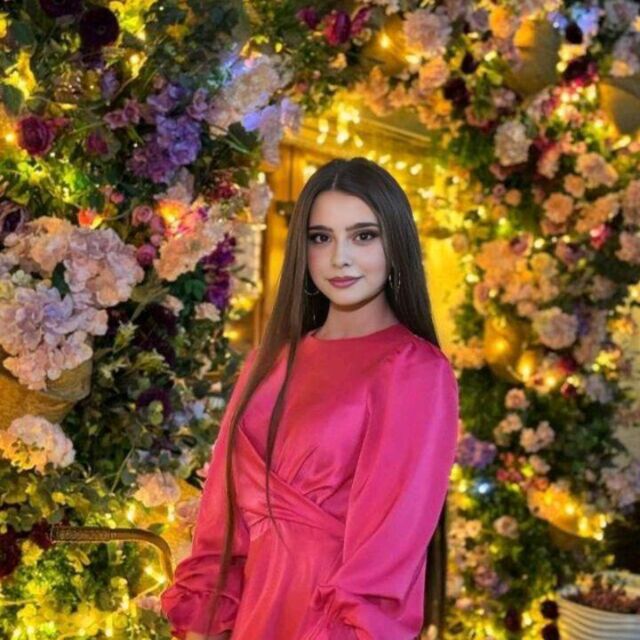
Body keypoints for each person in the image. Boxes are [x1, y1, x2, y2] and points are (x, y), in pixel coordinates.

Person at [159, 157, 460, 639]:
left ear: (395, 243)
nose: (340, 258)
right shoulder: (268, 362)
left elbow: (383, 564)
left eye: (363, 236)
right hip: (253, 620)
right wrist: (202, 625)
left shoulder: (414, 370)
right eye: (321, 237)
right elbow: (221, 530)